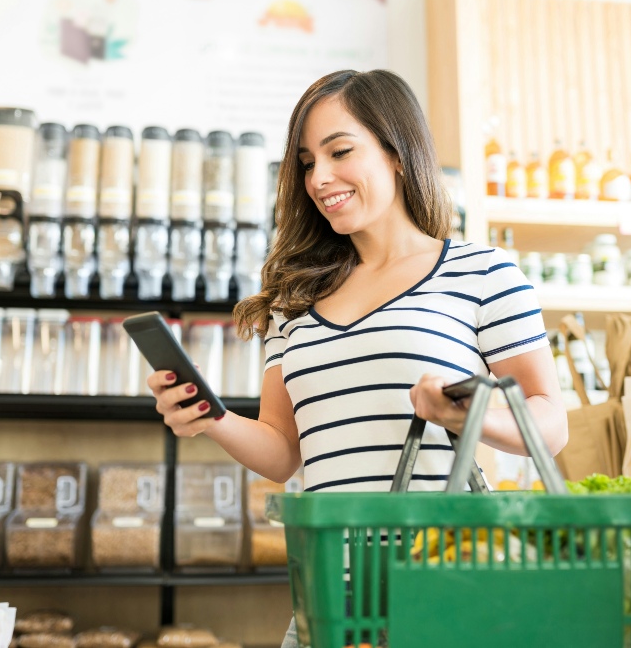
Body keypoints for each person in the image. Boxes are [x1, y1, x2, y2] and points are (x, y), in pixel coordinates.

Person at [148, 69, 567, 646]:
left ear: (397, 153)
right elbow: (281, 452)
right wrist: (213, 419)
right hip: (326, 601)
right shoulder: (293, 301)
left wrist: (462, 414)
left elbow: (550, 422)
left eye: (340, 151)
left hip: (444, 591)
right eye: (305, 162)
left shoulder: (482, 273)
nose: (320, 178)